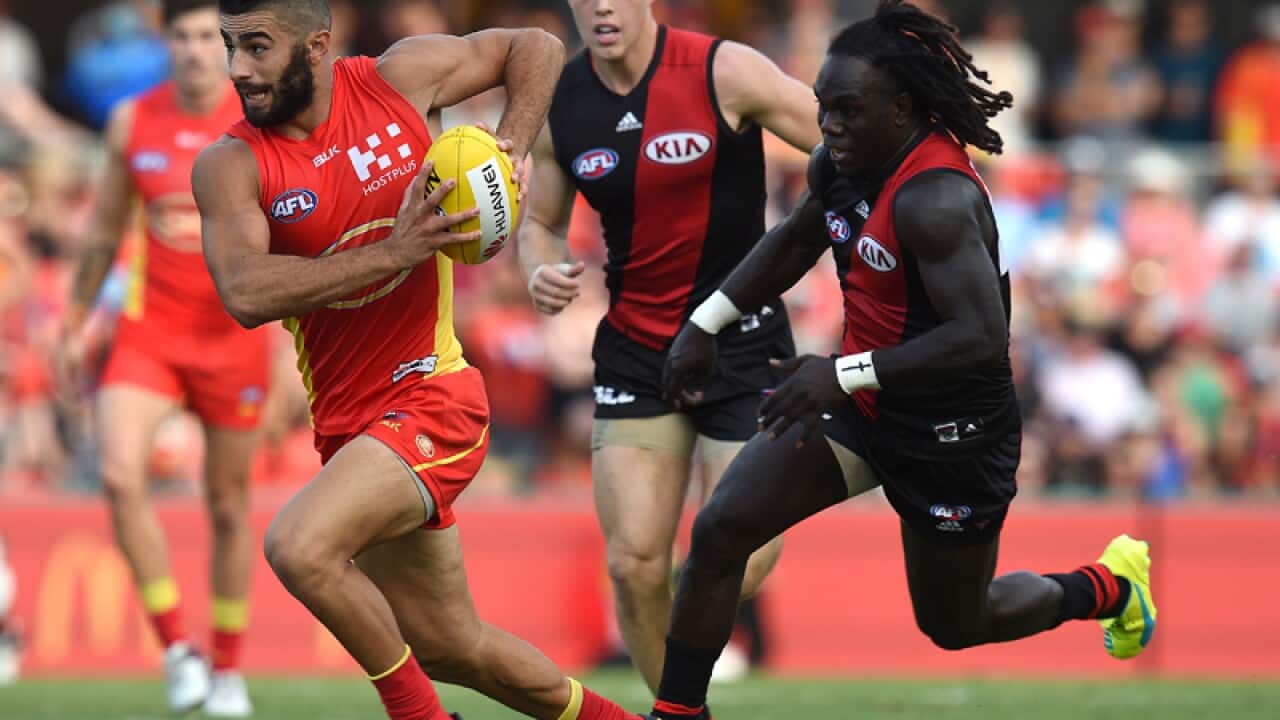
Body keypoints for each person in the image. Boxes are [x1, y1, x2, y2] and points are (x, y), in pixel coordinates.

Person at [650, 3, 1157, 718]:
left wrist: (842, 371)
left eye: (848, 110)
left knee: (956, 625)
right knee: (719, 531)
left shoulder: (938, 198)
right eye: (824, 107)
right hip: (862, 402)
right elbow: (797, 241)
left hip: (952, 431)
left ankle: (1106, 588)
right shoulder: (842, 164)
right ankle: (677, 713)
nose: (828, 126)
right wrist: (704, 322)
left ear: (904, 108)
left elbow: (980, 339)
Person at [194, 2, 640, 719]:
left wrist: (510, 149)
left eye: (256, 46)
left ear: (315, 46)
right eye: (230, 47)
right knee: (450, 647)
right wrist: (398, 250)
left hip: (435, 393)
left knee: (299, 547)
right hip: (350, 429)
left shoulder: (400, 79)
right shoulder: (230, 164)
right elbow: (245, 292)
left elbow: (537, 45)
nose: (238, 68)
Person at [520, 0, 821, 693]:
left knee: (738, 552)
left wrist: (837, 221)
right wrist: (537, 264)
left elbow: (844, 140)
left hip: (743, 346)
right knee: (631, 564)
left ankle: (693, 628)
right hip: (635, 348)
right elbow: (539, 220)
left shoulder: (725, 71)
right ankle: (679, 713)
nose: (599, 5)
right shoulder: (562, 101)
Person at [54, 1, 268, 715]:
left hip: (234, 336)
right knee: (117, 474)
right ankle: (179, 648)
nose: (195, 51)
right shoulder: (131, 120)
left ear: (229, 44)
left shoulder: (257, 121)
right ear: (164, 43)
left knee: (229, 505)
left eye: (209, 37)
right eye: (181, 37)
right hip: (152, 332)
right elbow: (101, 234)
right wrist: (73, 324)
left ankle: (229, 668)